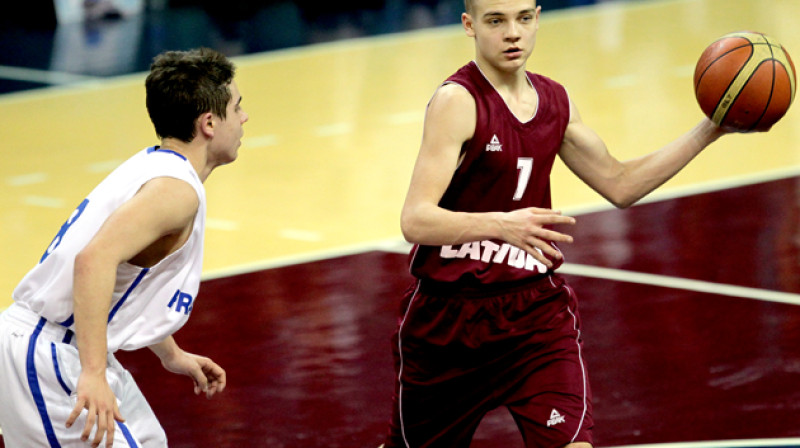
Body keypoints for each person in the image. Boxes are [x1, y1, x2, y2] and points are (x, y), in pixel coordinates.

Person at [383, 0, 745, 447]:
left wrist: (710, 128)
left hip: (534, 315)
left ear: (537, 17)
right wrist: (501, 225)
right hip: (450, 322)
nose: (513, 33)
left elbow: (620, 184)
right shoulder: (457, 102)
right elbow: (415, 219)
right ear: (469, 25)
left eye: (524, 18)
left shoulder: (555, 101)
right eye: (496, 21)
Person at [0, 47, 248, 448]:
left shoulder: (157, 166)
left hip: (57, 347)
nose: (244, 118)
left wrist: (170, 353)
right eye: (237, 107)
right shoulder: (175, 191)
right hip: (51, 354)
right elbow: (94, 261)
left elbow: (127, 278)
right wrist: (94, 373)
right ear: (208, 123)